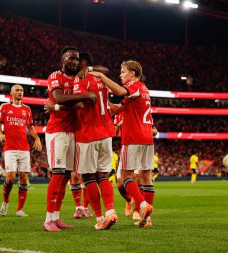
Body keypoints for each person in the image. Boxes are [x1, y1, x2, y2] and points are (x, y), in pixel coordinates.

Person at [90, 60, 154, 228]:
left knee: (125, 177)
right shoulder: (143, 89)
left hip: (133, 137)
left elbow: (118, 90)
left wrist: (102, 77)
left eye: (123, 72)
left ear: (132, 73)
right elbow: (119, 109)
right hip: (147, 137)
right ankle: (146, 219)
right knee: (146, 178)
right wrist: (102, 102)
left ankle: (142, 205)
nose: (120, 75)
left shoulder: (135, 86)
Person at [43, 46, 97, 232]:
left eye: (76, 59)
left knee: (66, 177)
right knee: (57, 174)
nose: (73, 61)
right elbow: (58, 98)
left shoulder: (78, 77)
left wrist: (88, 70)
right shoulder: (55, 76)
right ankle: (48, 220)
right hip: (57, 131)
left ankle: (56, 218)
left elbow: (78, 104)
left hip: (74, 131)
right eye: (70, 58)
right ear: (62, 60)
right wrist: (86, 95)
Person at [73, 52, 118, 230]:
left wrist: (59, 105)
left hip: (88, 133)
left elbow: (81, 102)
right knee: (103, 176)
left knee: (88, 177)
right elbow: (105, 71)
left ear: (83, 64)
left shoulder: (81, 79)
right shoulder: (102, 78)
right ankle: (110, 211)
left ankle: (100, 218)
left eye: (77, 63)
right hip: (106, 132)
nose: (75, 65)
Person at [0, 84, 42, 218]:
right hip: (10, 147)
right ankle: (5, 202)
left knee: (24, 178)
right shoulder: (4, 107)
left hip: (24, 148)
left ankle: (20, 209)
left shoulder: (27, 109)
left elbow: (31, 127)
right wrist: (0, 134)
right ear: (11, 92)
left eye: (21, 90)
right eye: (17, 90)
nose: (20, 92)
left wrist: (37, 138)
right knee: (10, 177)